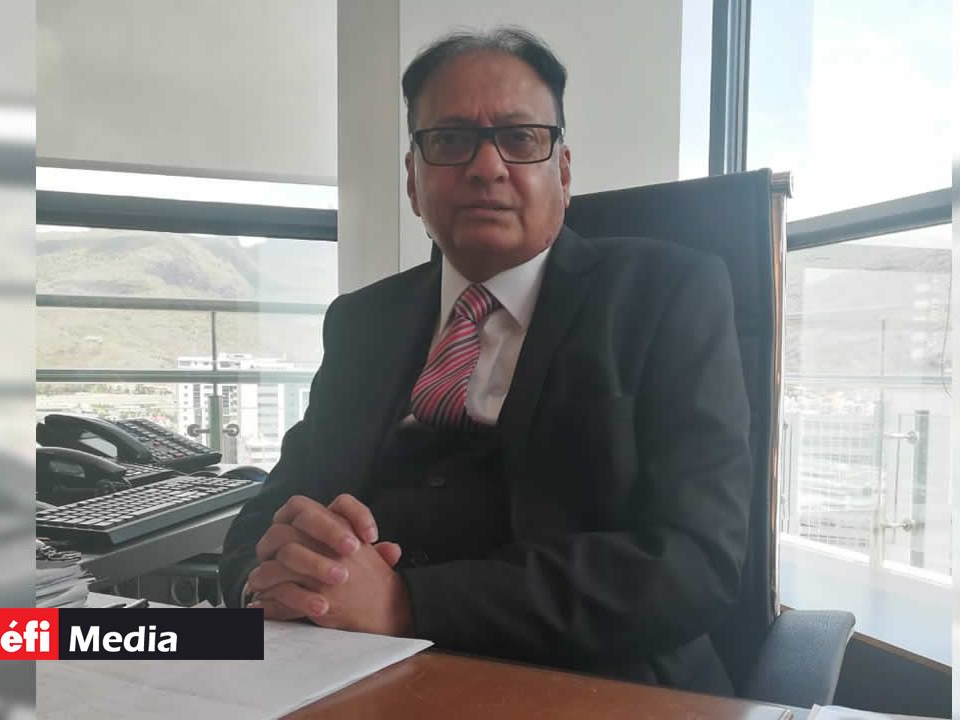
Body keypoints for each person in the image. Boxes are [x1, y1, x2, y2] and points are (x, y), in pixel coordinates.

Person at [220, 26, 752, 696]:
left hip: (594, 684)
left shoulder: (668, 295)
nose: (486, 166)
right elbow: (273, 511)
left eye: (520, 138)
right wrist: (267, 581)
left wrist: (407, 604)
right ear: (412, 180)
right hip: (355, 677)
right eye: (449, 140)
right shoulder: (363, 321)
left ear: (563, 171)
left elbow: (695, 561)